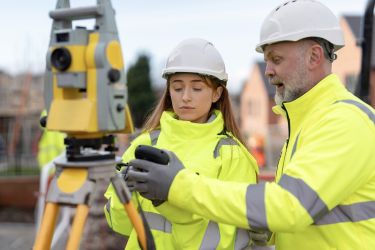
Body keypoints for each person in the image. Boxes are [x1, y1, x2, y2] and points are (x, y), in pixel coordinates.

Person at [127, 1, 375, 249]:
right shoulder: (310, 121)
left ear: (313, 56)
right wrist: (268, 232)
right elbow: (311, 214)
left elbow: (289, 206)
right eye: (267, 61)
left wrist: (178, 185)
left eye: (276, 59)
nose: (267, 71)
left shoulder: (344, 121)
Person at [104, 38, 259, 249]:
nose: (185, 97)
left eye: (197, 88)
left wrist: (169, 200)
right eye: (177, 88)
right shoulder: (145, 144)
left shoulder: (231, 156)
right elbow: (119, 225)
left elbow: (228, 241)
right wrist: (125, 194)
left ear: (217, 93)